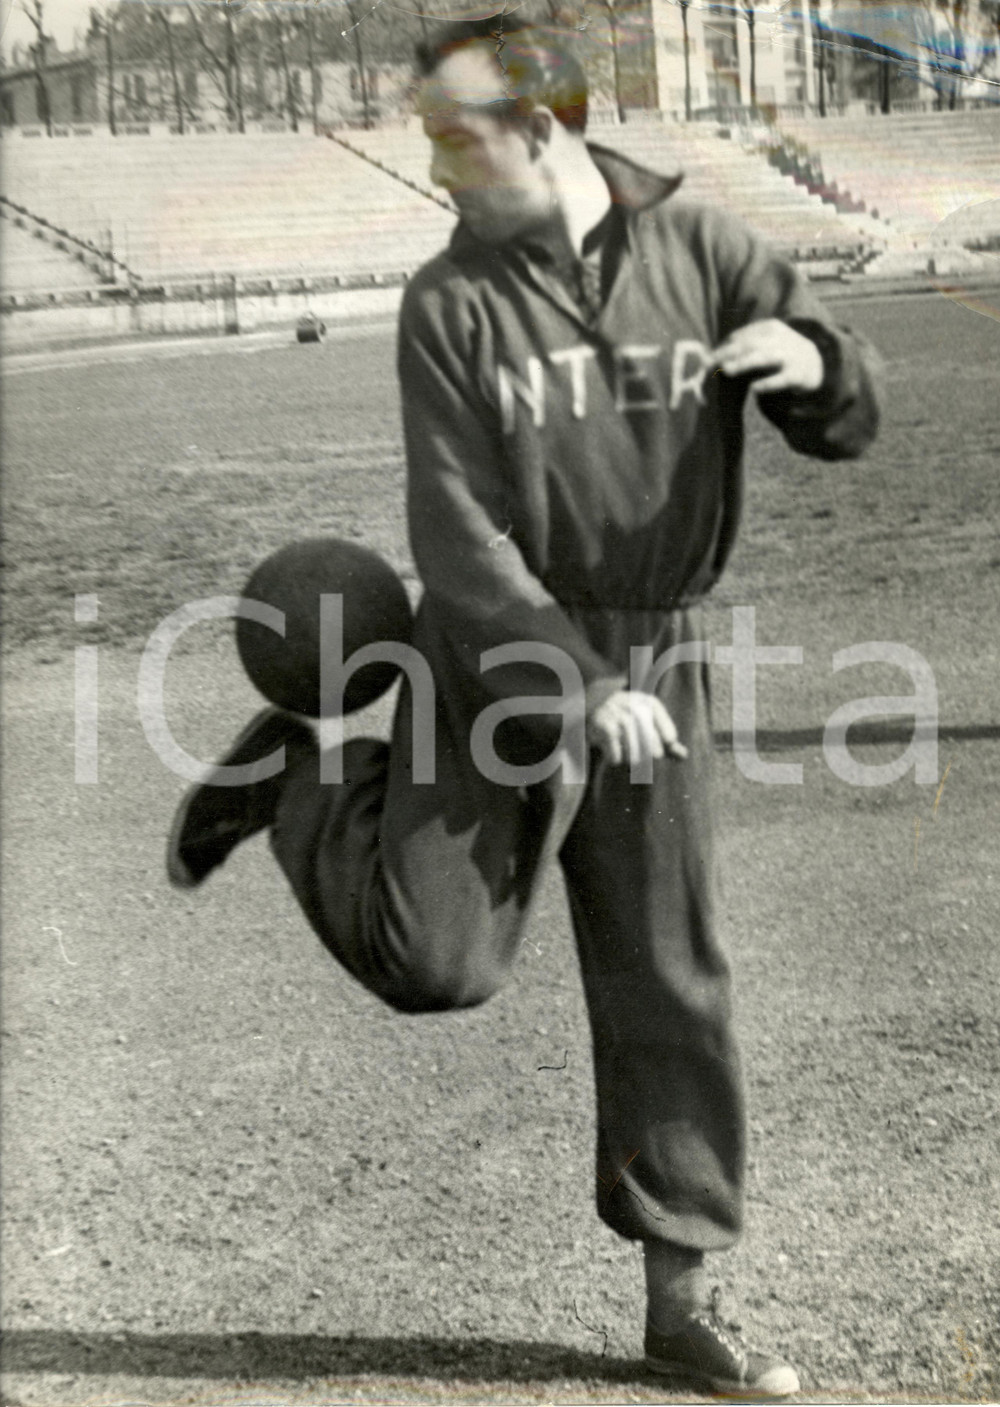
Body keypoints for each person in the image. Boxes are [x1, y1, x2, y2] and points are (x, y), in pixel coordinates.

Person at [168, 19, 879, 1396]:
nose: (435, 168)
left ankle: (682, 1302)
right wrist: (574, 686)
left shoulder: (706, 249)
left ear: (545, 128)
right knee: (440, 964)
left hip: (655, 655)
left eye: (456, 137)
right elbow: (458, 534)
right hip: (492, 657)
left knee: (670, 968)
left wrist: (814, 361)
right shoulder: (451, 302)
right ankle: (296, 781)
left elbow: (847, 406)